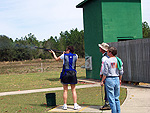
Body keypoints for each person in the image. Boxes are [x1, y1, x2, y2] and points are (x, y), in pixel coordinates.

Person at [50, 46, 81, 110]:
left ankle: (65, 105)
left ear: (69, 50)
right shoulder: (76, 56)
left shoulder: (63, 55)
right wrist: (65, 54)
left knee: (65, 90)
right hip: (73, 74)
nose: (66, 50)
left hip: (65, 74)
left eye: (67, 49)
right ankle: (75, 104)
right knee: (73, 90)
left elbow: (56, 59)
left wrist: (53, 53)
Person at [100, 47, 124, 113]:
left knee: (111, 98)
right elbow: (121, 71)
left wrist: (102, 81)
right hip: (116, 78)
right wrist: (120, 79)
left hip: (109, 79)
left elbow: (105, 72)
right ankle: (118, 111)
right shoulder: (118, 60)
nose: (107, 53)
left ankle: (114, 111)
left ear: (110, 53)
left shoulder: (107, 61)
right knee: (116, 98)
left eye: (108, 52)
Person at [98, 42, 111, 110]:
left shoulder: (104, 57)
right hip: (112, 75)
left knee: (107, 90)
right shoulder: (110, 56)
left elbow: (103, 67)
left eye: (100, 47)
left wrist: (101, 74)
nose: (99, 48)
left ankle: (107, 104)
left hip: (107, 76)